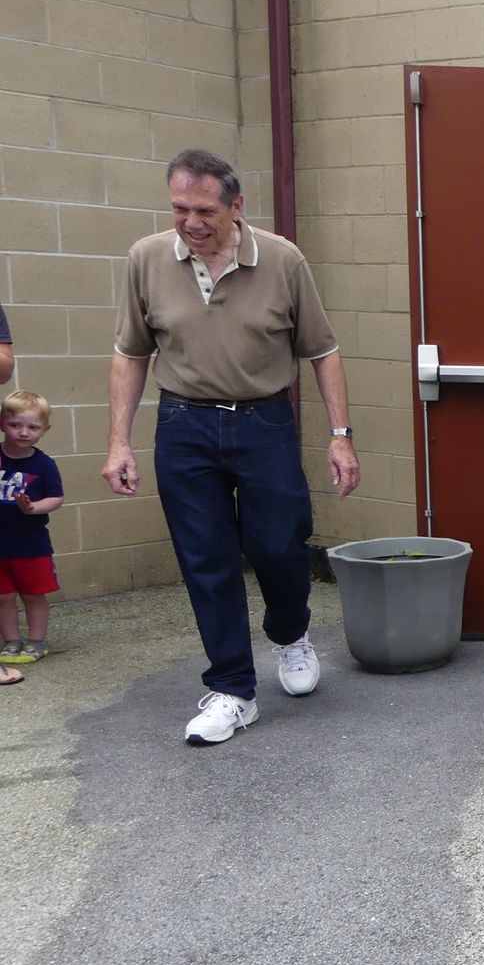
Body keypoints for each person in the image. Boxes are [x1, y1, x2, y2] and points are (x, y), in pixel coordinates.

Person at [103, 148, 360, 746]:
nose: (191, 222)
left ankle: (291, 633)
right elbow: (130, 354)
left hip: (264, 422)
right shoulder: (146, 258)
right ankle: (233, 690)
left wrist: (340, 436)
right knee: (206, 559)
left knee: (279, 544)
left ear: (236, 206)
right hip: (183, 424)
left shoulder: (282, 260)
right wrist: (119, 442)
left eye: (205, 211)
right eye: (180, 209)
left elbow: (323, 352)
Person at [0, 391, 64, 674]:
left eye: (32, 427)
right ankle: (11, 641)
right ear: (2, 423)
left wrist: (33, 507)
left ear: (45, 430)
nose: (23, 432)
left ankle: (36, 641)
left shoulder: (44, 464)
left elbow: (56, 498)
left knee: (33, 595)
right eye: (15, 425)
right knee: (3, 597)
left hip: (31, 545)